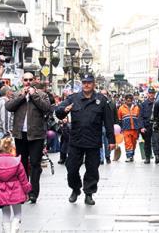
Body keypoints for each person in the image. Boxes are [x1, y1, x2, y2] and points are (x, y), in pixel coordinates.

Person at [55, 73, 115, 205]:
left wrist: (111, 140)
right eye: (84, 82)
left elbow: (109, 121)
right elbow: (58, 111)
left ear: (94, 84)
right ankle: (75, 188)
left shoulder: (101, 100)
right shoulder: (73, 98)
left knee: (92, 169)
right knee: (71, 167)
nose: (86, 85)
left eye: (89, 82)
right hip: (76, 140)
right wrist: (64, 110)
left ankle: (89, 193)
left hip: (93, 140)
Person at [5, 72, 51, 204]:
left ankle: (33, 193)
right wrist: (21, 96)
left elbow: (46, 108)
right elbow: (9, 107)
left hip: (36, 135)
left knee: (35, 164)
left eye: (30, 80)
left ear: (34, 80)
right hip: (20, 134)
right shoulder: (17, 93)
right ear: (22, 80)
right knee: (22, 164)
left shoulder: (41, 94)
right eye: (26, 80)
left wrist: (33, 95)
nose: (28, 82)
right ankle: (23, 191)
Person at [0, 137, 32, 232]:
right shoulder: (17, 162)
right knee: (17, 214)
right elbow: (23, 179)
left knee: (5, 214)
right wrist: (27, 191)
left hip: (0, 192)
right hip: (16, 191)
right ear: (10, 149)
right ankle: (14, 230)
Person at [117, 94, 141, 162]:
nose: (129, 101)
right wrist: (120, 129)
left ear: (132, 100)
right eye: (127, 100)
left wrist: (139, 128)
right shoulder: (121, 108)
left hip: (135, 129)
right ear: (125, 100)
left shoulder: (137, 108)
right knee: (128, 143)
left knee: (133, 143)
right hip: (126, 129)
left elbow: (139, 118)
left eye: (130, 100)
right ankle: (128, 156)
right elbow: (119, 120)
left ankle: (132, 155)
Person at [140, 88, 158, 164]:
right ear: (148, 94)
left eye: (153, 93)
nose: (151, 94)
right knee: (147, 143)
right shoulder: (143, 104)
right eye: (150, 93)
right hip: (146, 126)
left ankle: (157, 156)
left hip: (155, 125)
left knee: (155, 141)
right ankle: (147, 157)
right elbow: (140, 117)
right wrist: (142, 127)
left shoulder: (157, 103)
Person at [100, 89, 118, 164]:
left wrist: (116, 125)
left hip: (108, 126)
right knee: (99, 143)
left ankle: (108, 157)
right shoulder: (97, 103)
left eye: (105, 94)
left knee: (107, 142)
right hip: (99, 126)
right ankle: (101, 158)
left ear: (107, 95)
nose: (104, 95)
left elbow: (115, 115)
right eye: (102, 94)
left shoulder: (112, 104)